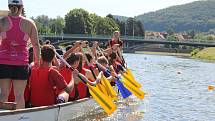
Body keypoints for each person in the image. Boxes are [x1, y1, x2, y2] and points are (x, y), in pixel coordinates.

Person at [0, 0, 40, 109]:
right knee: (19, 95)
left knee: (3, 94)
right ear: (22, 7)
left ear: (9, 6)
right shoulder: (30, 23)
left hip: (3, 62)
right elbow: (36, 45)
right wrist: (37, 61)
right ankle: (20, 118)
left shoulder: (2, 22)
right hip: (21, 63)